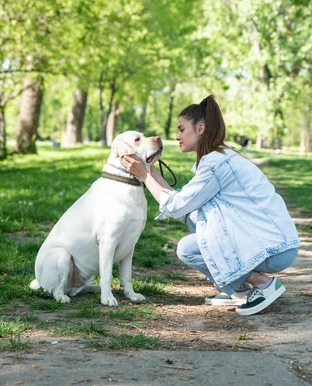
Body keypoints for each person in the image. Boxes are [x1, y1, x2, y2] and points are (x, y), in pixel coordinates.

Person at [121, 95, 300, 316]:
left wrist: (144, 177)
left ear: (200, 129)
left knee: (186, 249)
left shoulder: (216, 164)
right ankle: (239, 289)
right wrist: (150, 171)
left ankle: (263, 284)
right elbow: (184, 206)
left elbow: (176, 206)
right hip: (271, 240)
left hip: (273, 248)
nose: (177, 136)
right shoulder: (218, 157)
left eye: (181, 129)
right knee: (196, 220)